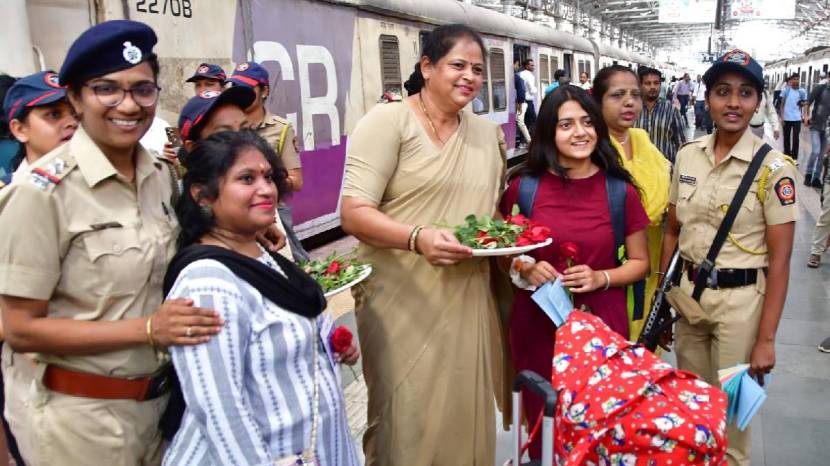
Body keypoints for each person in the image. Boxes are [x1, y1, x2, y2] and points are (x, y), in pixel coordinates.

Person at [0, 21, 229, 466]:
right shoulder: (41, 193)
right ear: (74, 98)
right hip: (81, 426)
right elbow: (18, 328)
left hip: (159, 415)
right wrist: (147, 330)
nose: (128, 104)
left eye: (143, 90)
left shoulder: (160, 177)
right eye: (107, 89)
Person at [340, 24, 506, 466]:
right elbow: (354, 212)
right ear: (427, 67)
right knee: (403, 416)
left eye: (477, 69)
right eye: (457, 65)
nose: (469, 76)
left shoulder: (487, 135)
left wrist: (520, 256)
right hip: (400, 299)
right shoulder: (388, 121)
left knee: (464, 413)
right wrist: (417, 238)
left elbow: (493, 220)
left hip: (467, 293)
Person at [162, 129, 360, 466]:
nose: (266, 189)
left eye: (268, 176)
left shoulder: (262, 255)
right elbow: (222, 414)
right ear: (203, 196)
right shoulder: (207, 285)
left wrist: (330, 344)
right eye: (246, 178)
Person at [660, 49, 798, 466]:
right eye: (723, 92)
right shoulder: (687, 155)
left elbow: (780, 262)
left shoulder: (774, 170)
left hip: (741, 307)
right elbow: (672, 229)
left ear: (759, 101)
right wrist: (662, 303)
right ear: (707, 98)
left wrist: (767, 339)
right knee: (693, 407)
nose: (733, 103)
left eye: (745, 93)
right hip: (689, 298)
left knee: (733, 422)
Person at [499, 85, 650, 459]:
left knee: (596, 425)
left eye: (586, 122)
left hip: (599, 330)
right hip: (538, 326)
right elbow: (502, 253)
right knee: (543, 422)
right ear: (549, 130)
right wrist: (524, 266)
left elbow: (640, 263)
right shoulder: (523, 189)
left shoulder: (620, 192)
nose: (579, 132)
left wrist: (602, 277)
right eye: (566, 124)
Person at [0, 69, 80, 466]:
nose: (68, 122)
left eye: (72, 113)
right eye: (51, 114)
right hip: (42, 392)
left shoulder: (107, 191)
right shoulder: (12, 202)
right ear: (19, 129)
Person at [595, 66, 671, 342]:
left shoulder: (642, 140)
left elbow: (655, 195)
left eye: (634, 95)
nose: (629, 102)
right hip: (611, 266)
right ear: (598, 101)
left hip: (650, 259)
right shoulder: (593, 148)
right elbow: (649, 203)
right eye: (617, 95)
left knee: (645, 341)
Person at [228, 61, 310, 262]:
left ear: (264, 91)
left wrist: (266, 182)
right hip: (236, 215)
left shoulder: (280, 129)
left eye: (247, 88)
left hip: (273, 213)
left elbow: (296, 181)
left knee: (290, 265)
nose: (241, 94)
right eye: (235, 88)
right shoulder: (227, 127)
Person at [636, 66, 687, 164]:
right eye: (647, 83)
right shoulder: (632, 110)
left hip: (665, 172)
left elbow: (682, 143)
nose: (652, 87)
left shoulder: (671, 111)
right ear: (640, 85)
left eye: (656, 83)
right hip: (637, 171)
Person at [803, 70, 830, 187]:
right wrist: (806, 116)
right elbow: (807, 103)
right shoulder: (820, 88)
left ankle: (816, 178)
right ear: (829, 77)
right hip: (815, 125)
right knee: (815, 151)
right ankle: (808, 175)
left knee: (822, 154)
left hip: (827, 128)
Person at [779, 73, 807, 160]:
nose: (796, 81)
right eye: (794, 79)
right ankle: (787, 155)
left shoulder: (802, 91)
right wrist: (782, 117)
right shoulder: (786, 91)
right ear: (791, 81)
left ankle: (794, 157)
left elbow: (805, 103)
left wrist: (803, 105)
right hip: (787, 118)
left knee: (796, 138)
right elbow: (782, 104)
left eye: (798, 79)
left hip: (797, 118)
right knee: (786, 137)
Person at [514, 58, 531, 146]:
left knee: (520, 122)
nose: (517, 66)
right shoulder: (516, 76)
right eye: (517, 64)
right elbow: (521, 90)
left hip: (520, 103)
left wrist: (520, 103)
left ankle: (529, 141)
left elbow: (520, 90)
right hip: (520, 103)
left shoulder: (516, 76)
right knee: (520, 122)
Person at [519, 58, 538, 132]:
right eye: (531, 65)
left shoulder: (520, 74)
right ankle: (533, 138)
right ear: (527, 66)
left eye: (533, 65)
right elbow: (532, 90)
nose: (533, 67)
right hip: (528, 101)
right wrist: (536, 89)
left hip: (521, 101)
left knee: (525, 121)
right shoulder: (530, 75)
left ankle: (524, 140)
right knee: (534, 120)